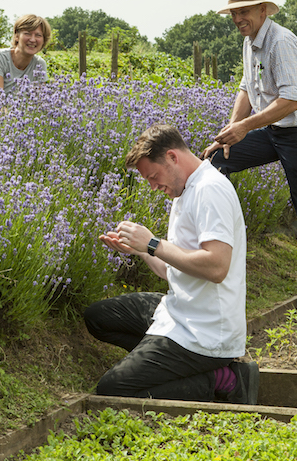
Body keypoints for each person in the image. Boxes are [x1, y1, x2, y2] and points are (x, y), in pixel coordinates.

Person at [84, 124, 258, 404]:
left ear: (172, 157)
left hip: (206, 331)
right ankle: (164, 365)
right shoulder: (185, 189)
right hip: (180, 310)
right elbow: (173, 269)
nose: (153, 186)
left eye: (153, 176)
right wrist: (141, 250)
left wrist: (153, 243)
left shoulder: (209, 190)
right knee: (98, 317)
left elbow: (217, 267)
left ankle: (224, 379)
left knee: (112, 389)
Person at [200, 0, 297, 313]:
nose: (238, 19)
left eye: (243, 12)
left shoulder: (281, 43)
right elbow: (247, 88)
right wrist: (228, 132)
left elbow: (290, 100)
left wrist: (245, 127)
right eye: (234, 13)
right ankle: (206, 257)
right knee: (213, 161)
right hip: (271, 131)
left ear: (262, 10)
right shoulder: (250, 42)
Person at [0, 14, 50, 95]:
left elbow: (39, 99)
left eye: (38, 35)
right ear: (17, 36)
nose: (32, 39)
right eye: (27, 33)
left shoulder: (39, 64)